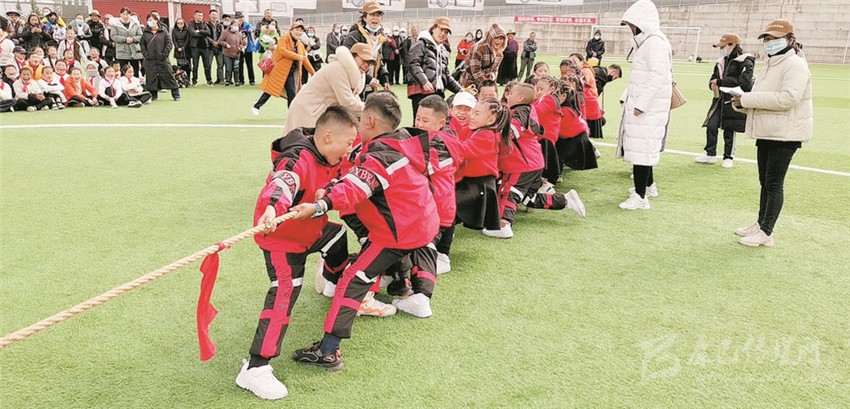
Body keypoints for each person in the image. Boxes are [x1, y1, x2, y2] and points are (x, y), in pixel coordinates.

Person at [287, 92, 438, 370]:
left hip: (398, 233)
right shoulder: (404, 142)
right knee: (374, 244)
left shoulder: (380, 156)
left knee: (352, 278)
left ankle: (328, 350)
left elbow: (357, 186)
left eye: (359, 119)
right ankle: (402, 283)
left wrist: (321, 204)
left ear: (369, 121)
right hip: (421, 224)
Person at [234, 106, 358, 401]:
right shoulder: (298, 157)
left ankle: (331, 283)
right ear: (327, 137)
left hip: (311, 230)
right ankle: (255, 367)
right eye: (348, 143)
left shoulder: (332, 155)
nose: (349, 149)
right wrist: (271, 207)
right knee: (285, 290)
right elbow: (283, 181)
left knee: (337, 236)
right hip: (281, 239)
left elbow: (345, 177)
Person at [731, 19, 812, 247]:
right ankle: (761, 224)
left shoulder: (795, 64)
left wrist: (748, 99)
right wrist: (741, 102)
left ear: (790, 39)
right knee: (765, 182)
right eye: (766, 38)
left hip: (785, 133)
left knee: (774, 183)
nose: (769, 42)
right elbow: (763, 97)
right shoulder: (771, 64)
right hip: (769, 130)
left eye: (775, 38)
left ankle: (767, 232)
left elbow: (788, 98)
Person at [484, 83, 585, 239]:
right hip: (533, 163)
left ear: (520, 97)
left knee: (509, 191)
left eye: (511, 93)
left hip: (522, 164)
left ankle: (504, 224)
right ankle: (565, 200)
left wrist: (491, 135)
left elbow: (513, 129)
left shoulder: (520, 111)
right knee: (527, 198)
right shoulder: (527, 110)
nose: (507, 95)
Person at [616, 0, 672, 210]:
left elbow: (657, 76)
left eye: (632, 24)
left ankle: (641, 197)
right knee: (643, 147)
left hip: (648, 108)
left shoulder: (654, 43)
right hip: (646, 106)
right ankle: (648, 187)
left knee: (642, 149)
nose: (631, 28)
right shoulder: (649, 42)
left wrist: (641, 104)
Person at [695, 33, 754, 168]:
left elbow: (745, 82)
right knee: (711, 125)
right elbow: (713, 77)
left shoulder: (745, 61)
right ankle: (710, 153)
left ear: (733, 45)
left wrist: (721, 82)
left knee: (730, 129)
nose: (721, 49)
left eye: (723, 46)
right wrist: (712, 84)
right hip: (719, 99)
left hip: (733, 99)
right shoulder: (720, 61)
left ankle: (728, 157)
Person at [284, 43, 372, 133]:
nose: (366, 64)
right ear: (353, 56)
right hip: (306, 109)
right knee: (299, 139)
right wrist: (370, 109)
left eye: (369, 62)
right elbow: (347, 102)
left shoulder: (352, 75)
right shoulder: (338, 69)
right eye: (364, 59)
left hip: (317, 111)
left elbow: (353, 99)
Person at [407, 17, 463, 120]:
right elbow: (413, 63)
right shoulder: (420, 44)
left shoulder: (443, 50)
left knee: (437, 123)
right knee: (421, 124)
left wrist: (460, 90)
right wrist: (424, 81)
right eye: (441, 29)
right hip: (421, 92)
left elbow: (446, 75)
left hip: (438, 93)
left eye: (446, 32)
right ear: (433, 28)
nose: (443, 34)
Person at [252, 22, 313, 115]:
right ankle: (256, 105)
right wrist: (297, 56)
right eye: (297, 30)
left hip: (290, 72)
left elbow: (305, 60)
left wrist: (314, 73)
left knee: (292, 92)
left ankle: (292, 113)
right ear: (291, 30)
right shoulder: (284, 38)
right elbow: (282, 51)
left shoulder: (300, 44)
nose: (299, 32)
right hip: (278, 70)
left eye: (301, 31)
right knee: (269, 90)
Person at [342, 1, 391, 94]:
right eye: (372, 14)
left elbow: (378, 62)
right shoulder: (354, 36)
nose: (375, 18)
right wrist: (368, 79)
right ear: (364, 17)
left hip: (369, 89)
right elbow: (347, 61)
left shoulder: (379, 38)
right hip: (353, 87)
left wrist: (385, 79)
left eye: (378, 15)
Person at [141, 14, 181, 101]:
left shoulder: (163, 31)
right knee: (151, 77)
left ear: (156, 20)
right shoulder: (145, 32)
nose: (150, 22)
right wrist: (146, 55)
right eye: (148, 20)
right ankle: (153, 95)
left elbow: (169, 43)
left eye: (152, 20)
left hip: (163, 58)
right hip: (150, 59)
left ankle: (176, 94)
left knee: (168, 75)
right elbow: (142, 45)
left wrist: (164, 54)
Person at [532, 75, 562, 187]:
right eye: (537, 89)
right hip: (541, 135)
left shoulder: (549, 99)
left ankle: (546, 182)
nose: (539, 92)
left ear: (552, 89)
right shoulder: (539, 99)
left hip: (546, 136)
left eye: (541, 89)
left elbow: (537, 111)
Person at [461, 23, 506, 89]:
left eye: (501, 38)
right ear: (491, 37)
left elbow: (494, 72)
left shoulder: (499, 54)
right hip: (470, 84)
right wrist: (487, 86)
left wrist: (492, 87)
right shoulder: (478, 48)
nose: (498, 41)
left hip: (486, 85)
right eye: (496, 38)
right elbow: (475, 72)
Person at [111, 8, 143, 78]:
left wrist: (133, 39)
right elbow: (113, 36)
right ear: (120, 15)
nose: (125, 16)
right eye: (123, 14)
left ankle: (135, 83)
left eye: (127, 14)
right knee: (123, 70)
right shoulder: (115, 24)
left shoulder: (135, 24)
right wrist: (125, 39)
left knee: (135, 70)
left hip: (134, 51)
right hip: (122, 51)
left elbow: (140, 35)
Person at [218, 20, 246, 87]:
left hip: (236, 54)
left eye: (237, 25)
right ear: (231, 25)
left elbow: (241, 43)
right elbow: (220, 41)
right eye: (235, 25)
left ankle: (237, 81)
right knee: (228, 68)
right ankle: (227, 81)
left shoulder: (239, 34)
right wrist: (226, 44)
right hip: (227, 53)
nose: (236, 27)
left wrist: (241, 47)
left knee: (236, 68)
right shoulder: (225, 32)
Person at [188, 10, 212, 86]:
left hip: (205, 47)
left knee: (207, 65)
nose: (200, 17)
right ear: (194, 16)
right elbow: (193, 33)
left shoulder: (204, 23)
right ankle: (194, 81)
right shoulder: (191, 24)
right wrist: (203, 33)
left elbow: (208, 32)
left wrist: (200, 31)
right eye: (199, 15)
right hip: (195, 47)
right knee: (195, 65)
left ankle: (209, 80)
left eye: (201, 16)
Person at [235, 12, 257, 86]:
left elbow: (253, 28)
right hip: (239, 48)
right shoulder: (234, 25)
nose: (240, 19)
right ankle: (241, 80)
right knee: (240, 65)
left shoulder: (247, 24)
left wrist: (251, 29)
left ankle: (252, 80)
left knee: (249, 64)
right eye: (238, 18)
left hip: (248, 48)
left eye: (241, 17)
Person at [207, 10, 224, 84]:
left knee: (220, 64)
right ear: (209, 15)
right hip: (210, 48)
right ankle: (209, 80)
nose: (214, 16)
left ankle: (220, 79)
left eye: (215, 15)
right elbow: (206, 35)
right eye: (213, 14)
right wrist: (212, 42)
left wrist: (218, 42)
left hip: (219, 48)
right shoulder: (206, 25)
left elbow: (222, 35)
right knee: (208, 64)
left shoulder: (220, 25)